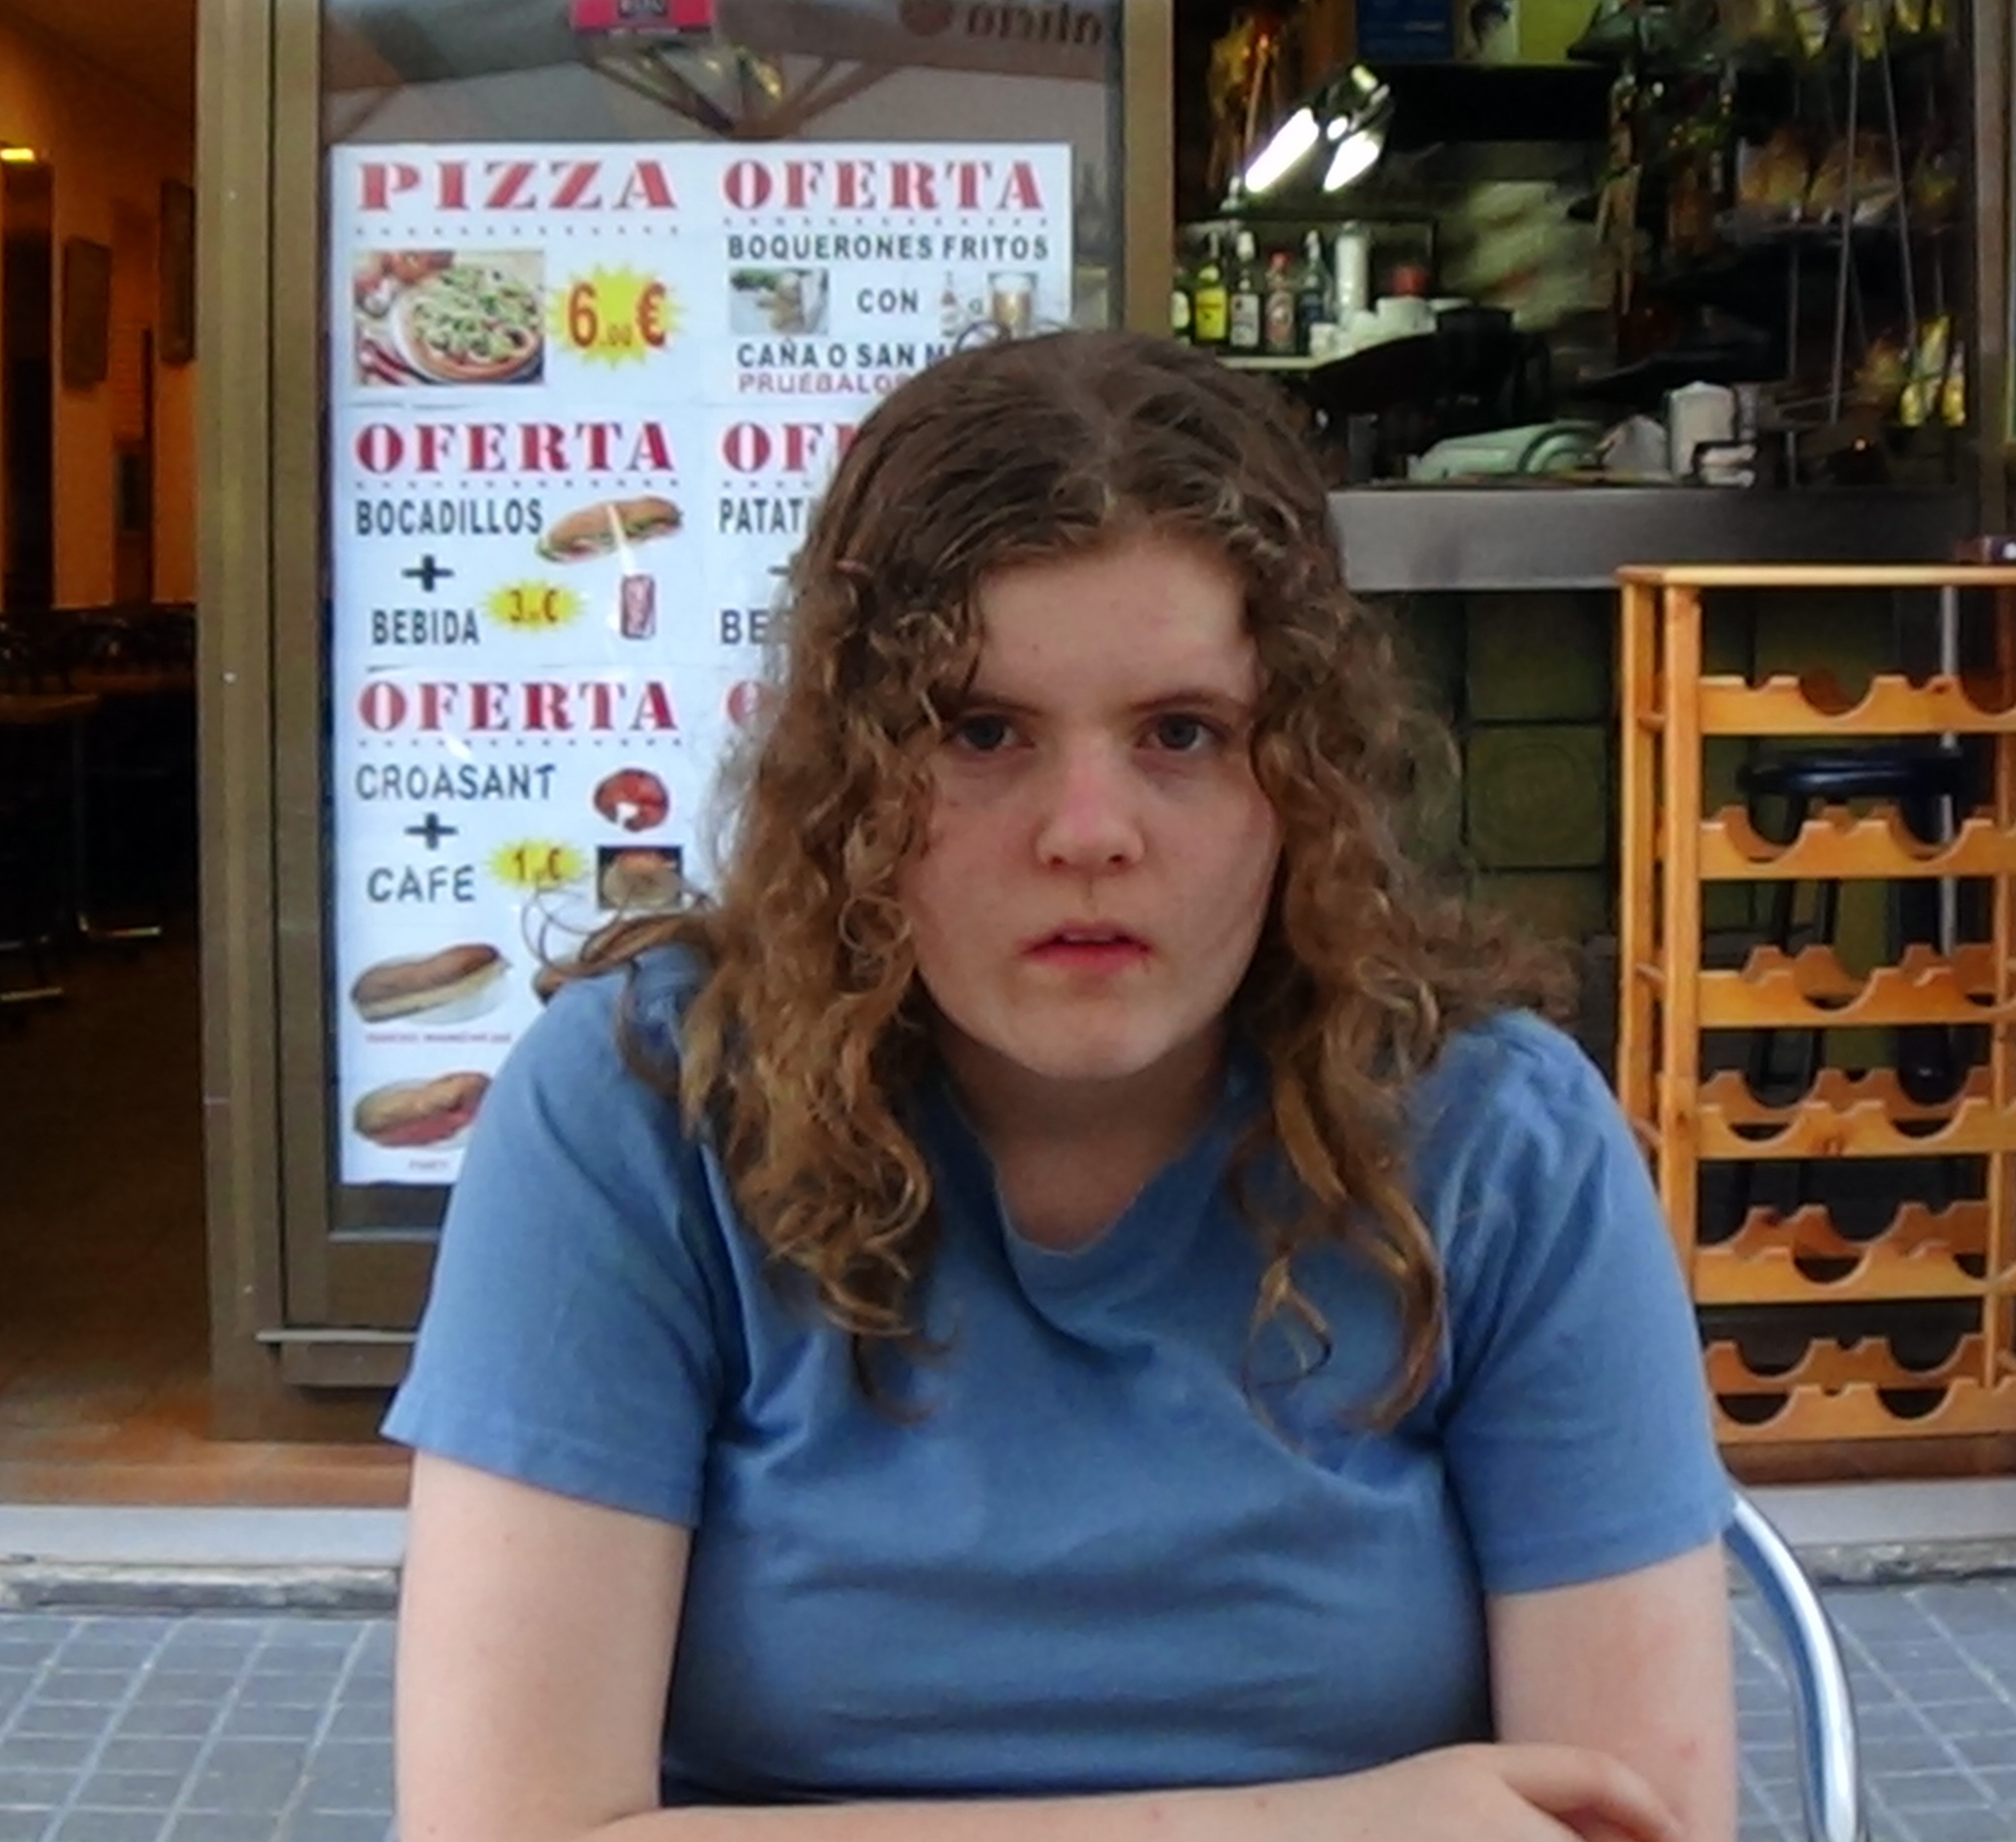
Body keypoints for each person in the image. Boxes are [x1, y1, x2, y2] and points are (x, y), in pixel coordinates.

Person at [387, 331, 1736, 1842]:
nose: (1088, 830)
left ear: (1305, 773)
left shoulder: (1496, 1142)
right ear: (850, 777)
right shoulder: (647, 1106)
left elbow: (1638, 1819)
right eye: (982, 732)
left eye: (1182, 734)